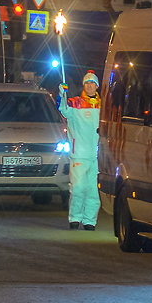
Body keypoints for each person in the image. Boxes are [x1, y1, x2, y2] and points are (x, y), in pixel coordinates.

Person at [59, 71, 102, 230]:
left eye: (92, 83)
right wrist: (62, 93)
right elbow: (62, 109)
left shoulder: (102, 106)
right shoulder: (74, 104)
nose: (89, 86)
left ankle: (90, 220)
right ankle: (74, 218)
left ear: (97, 86)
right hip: (79, 155)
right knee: (77, 188)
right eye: (87, 83)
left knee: (92, 190)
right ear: (84, 85)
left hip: (96, 156)